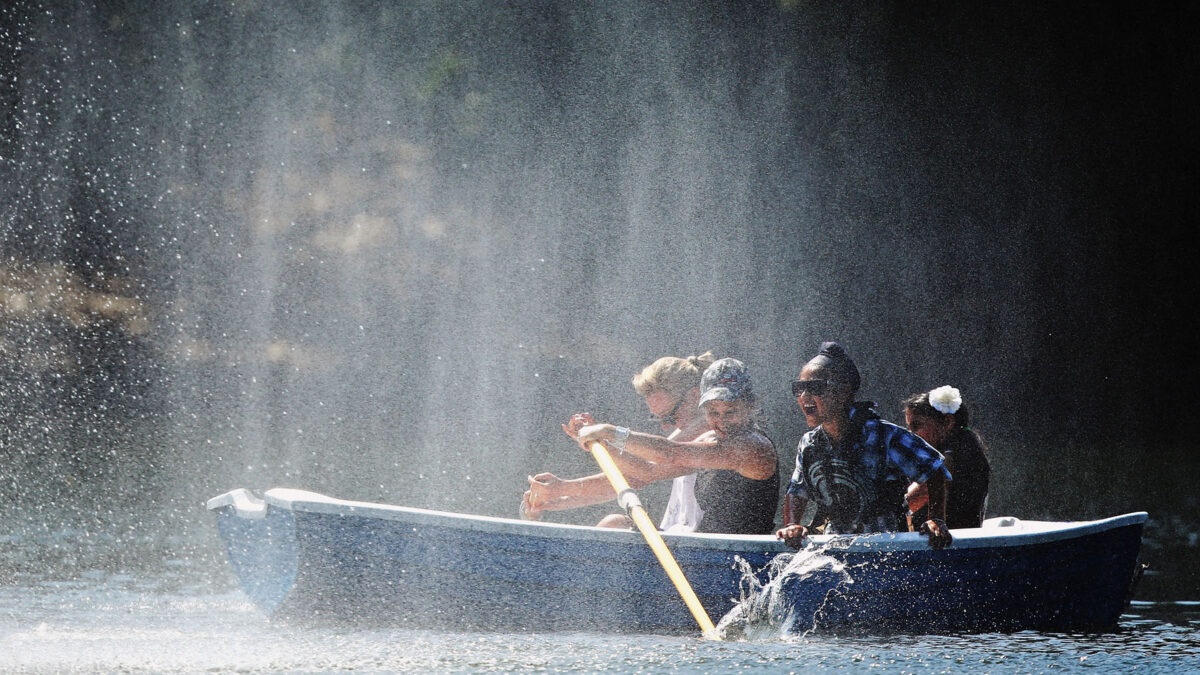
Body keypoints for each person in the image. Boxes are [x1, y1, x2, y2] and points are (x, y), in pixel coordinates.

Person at [570, 358, 780, 534]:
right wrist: (601, 444)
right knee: (614, 524)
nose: (722, 421)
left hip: (734, 560)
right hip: (701, 551)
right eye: (714, 413)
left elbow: (670, 452)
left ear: (751, 406)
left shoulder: (753, 448)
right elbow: (648, 470)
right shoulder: (710, 440)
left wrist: (609, 432)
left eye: (731, 412)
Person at [776, 342, 953, 549]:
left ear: (843, 393)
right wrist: (792, 524)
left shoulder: (884, 435)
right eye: (799, 388)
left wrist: (936, 519)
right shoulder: (809, 442)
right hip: (835, 545)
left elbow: (935, 469)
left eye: (815, 387)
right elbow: (797, 490)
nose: (804, 396)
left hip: (888, 543)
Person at [521, 352, 716, 530]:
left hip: (705, 551)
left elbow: (648, 470)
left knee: (613, 524)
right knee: (615, 523)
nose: (666, 427)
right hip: (682, 540)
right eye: (658, 419)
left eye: (668, 416)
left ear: (694, 396)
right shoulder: (689, 428)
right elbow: (633, 476)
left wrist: (607, 434)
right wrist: (553, 499)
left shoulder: (710, 426)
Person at [902, 386, 991, 529]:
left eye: (917, 426)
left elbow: (909, 502)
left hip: (945, 543)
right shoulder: (968, 448)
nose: (910, 435)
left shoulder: (948, 459)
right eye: (909, 428)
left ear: (947, 422)